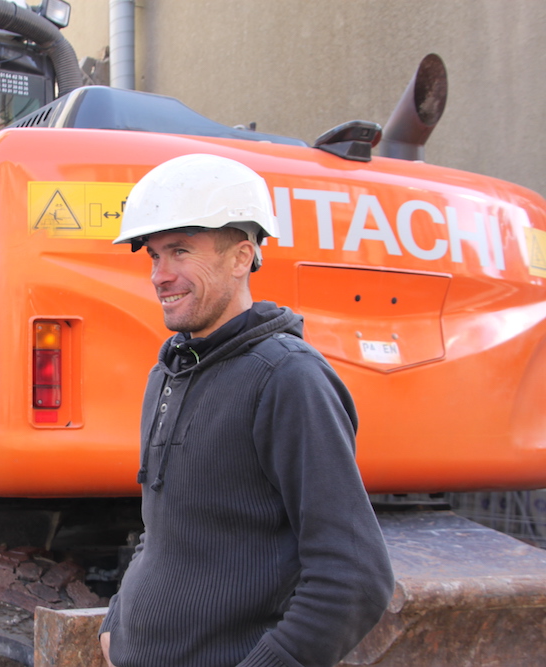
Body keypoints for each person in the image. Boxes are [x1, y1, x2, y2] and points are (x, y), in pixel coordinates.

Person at [98, 154, 394, 667]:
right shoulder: (167, 374)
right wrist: (116, 627)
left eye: (181, 252)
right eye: (153, 256)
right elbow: (164, 531)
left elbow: (353, 576)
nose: (160, 276)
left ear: (241, 257)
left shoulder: (287, 378)